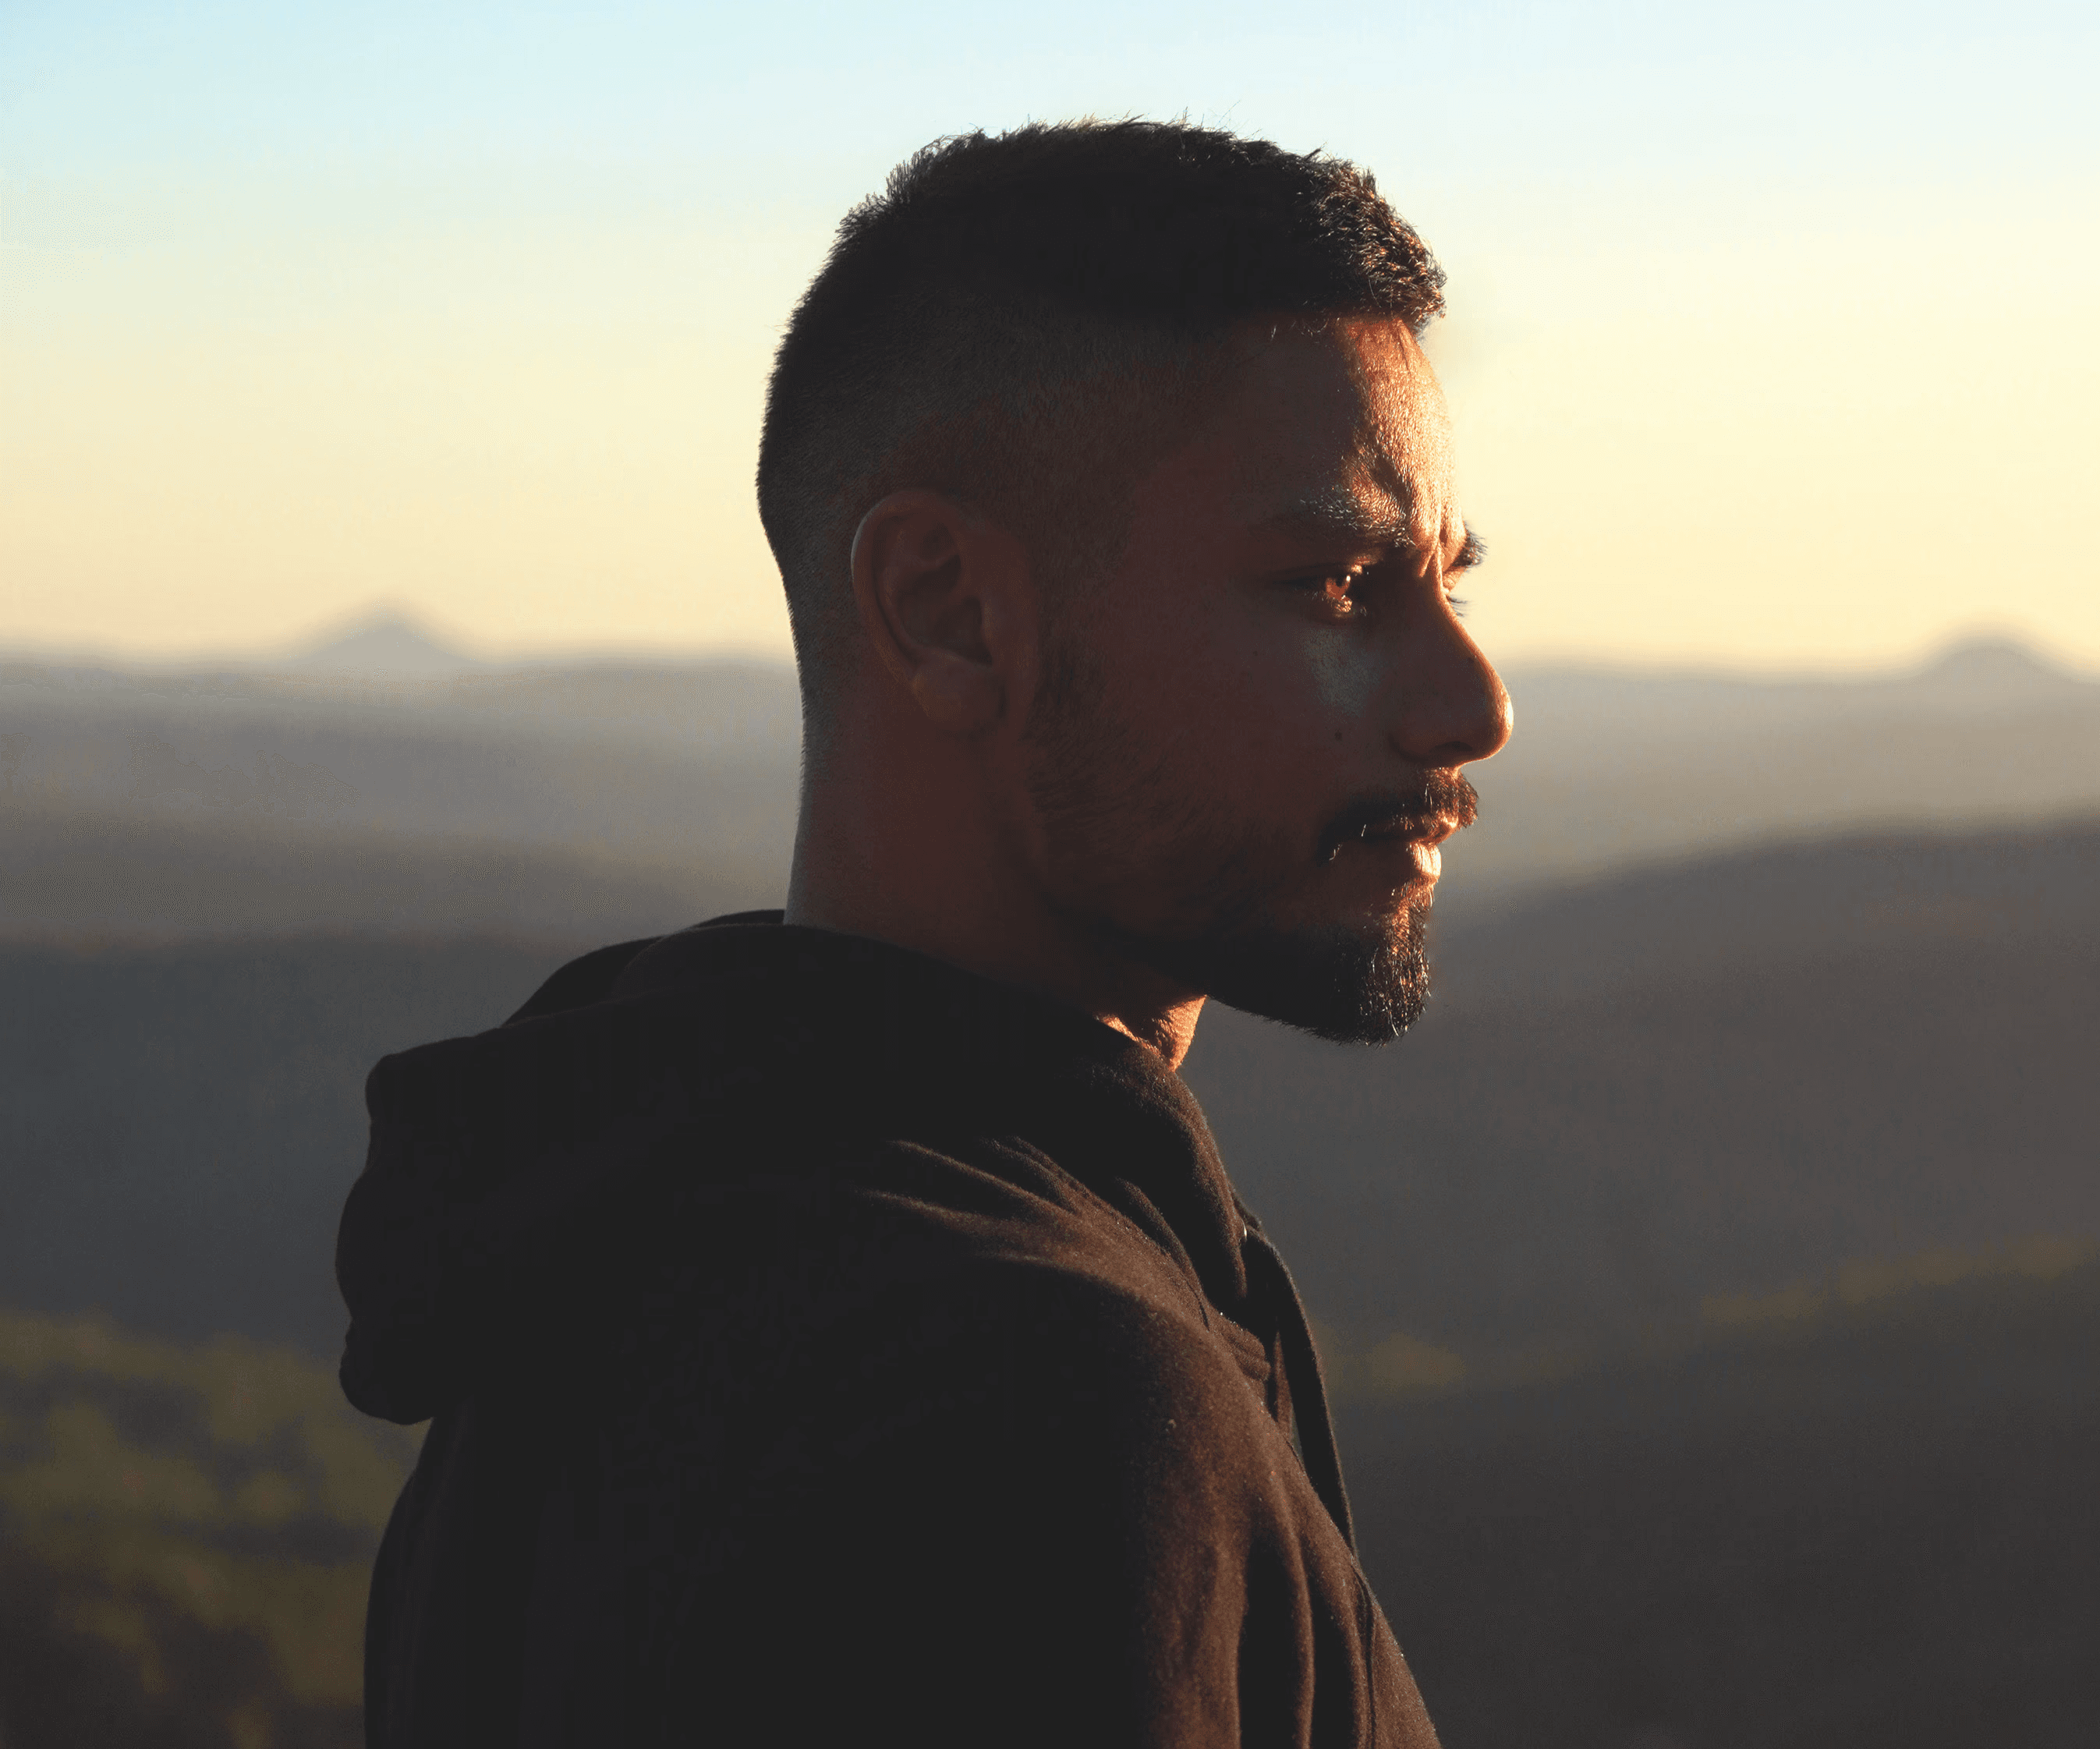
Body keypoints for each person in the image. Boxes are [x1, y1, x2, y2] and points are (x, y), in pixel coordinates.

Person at [336, 119, 1511, 1747]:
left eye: (1453, 582)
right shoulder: (1028, 1400)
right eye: (1334, 582)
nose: (1471, 703)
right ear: (949, 612)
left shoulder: (613, 1277)